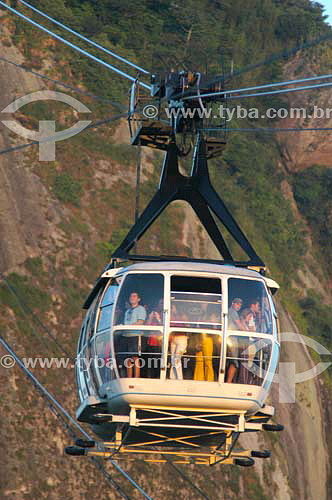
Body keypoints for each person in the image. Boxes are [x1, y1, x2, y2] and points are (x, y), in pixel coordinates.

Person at [122, 291, 146, 378]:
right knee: (127, 358)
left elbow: (140, 322)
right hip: (126, 336)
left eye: (134, 296)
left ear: (138, 299)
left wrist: (128, 326)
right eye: (131, 296)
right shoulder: (127, 311)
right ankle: (129, 377)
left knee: (135, 356)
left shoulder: (141, 309)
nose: (132, 297)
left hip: (135, 335)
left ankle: (136, 377)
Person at [169, 303, 189, 380]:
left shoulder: (182, 315)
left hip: (182, 338)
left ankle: (179, 378)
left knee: (177, 358)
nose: (172, 308)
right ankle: (172, 377)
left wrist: (176, 313)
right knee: (172, 358)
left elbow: (187, 325)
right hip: (174, 338)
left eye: (173, 307)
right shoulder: (171, 316)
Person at [145, 299, 163, 378]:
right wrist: (150, 318)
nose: (161, 305)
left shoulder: (165, 314)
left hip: (160, 342)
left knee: (158, 361)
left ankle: (158, 377)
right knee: (150, 362)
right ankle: (150, 377)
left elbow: (165, 326)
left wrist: (159, 319)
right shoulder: (153, 314)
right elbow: (146, 326)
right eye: (160, 303)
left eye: (163, 303)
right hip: (151, 342)